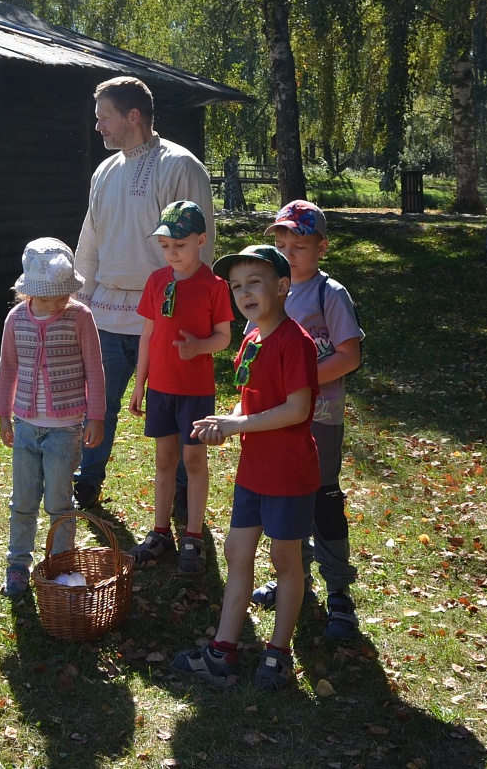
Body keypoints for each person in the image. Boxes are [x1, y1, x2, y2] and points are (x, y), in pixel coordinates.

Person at [172, 244, 320, 691]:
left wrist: (238, 424)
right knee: (238, 553)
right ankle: (223, 652)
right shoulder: (251, 340)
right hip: (253, 471)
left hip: (290, 473)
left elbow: (297, 409)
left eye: (254, 282)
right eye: (236, 286)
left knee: (283, 559)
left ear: (281, 285)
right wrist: (226, 420)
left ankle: (278, 655)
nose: (244, 293)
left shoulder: (296, 342)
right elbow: (250, 399)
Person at [73, 75, 215, 510]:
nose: (98, 126)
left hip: (166, 315)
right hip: (108, 312)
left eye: (104, 117)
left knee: (174, 410)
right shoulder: (104, 171)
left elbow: (200, 245)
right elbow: (91, 241)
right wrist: (79, 300)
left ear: (133, 116)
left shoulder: (181, 166)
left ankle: (180, 491)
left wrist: (194, 311)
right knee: (97, 402)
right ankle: (87, 477)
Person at [250, 199, 366, 640]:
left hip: (319, 416)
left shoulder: (328, 294)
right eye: (281, 242)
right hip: (275, 418)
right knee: (285, 499)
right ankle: (291, 581)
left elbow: (349, 356)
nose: (289, 250)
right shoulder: (270, 289)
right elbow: (253, 348)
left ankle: (339, 592)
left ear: (322, 248)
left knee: (321, 498)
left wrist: (301, 382)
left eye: (299, 243)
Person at [0, 239, 105, 597]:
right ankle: (17, 564)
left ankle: (61, 563)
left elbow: (94, 369)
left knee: (59, 502)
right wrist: (3, 415)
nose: (56, 302)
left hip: (65, 430)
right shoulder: (16, 319)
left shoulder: (80, 316)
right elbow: (8, 367)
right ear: (29, 292)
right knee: (23, 500)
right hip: (26, 426)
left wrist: (96, 416)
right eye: (46, 297)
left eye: (61, 295)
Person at [126, 201, 233, 575]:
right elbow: (148, 335)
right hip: (161, 389)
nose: (172, 253)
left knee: (194, 460)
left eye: (180, 245)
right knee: (164, 460)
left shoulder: (214, 286)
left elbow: (223, 337)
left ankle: (193, 535)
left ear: (201, 240)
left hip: (195, 391)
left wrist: (198, 347)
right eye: (166, 246)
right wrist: (140, 385)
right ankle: (160, 533)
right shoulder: (156, 281)